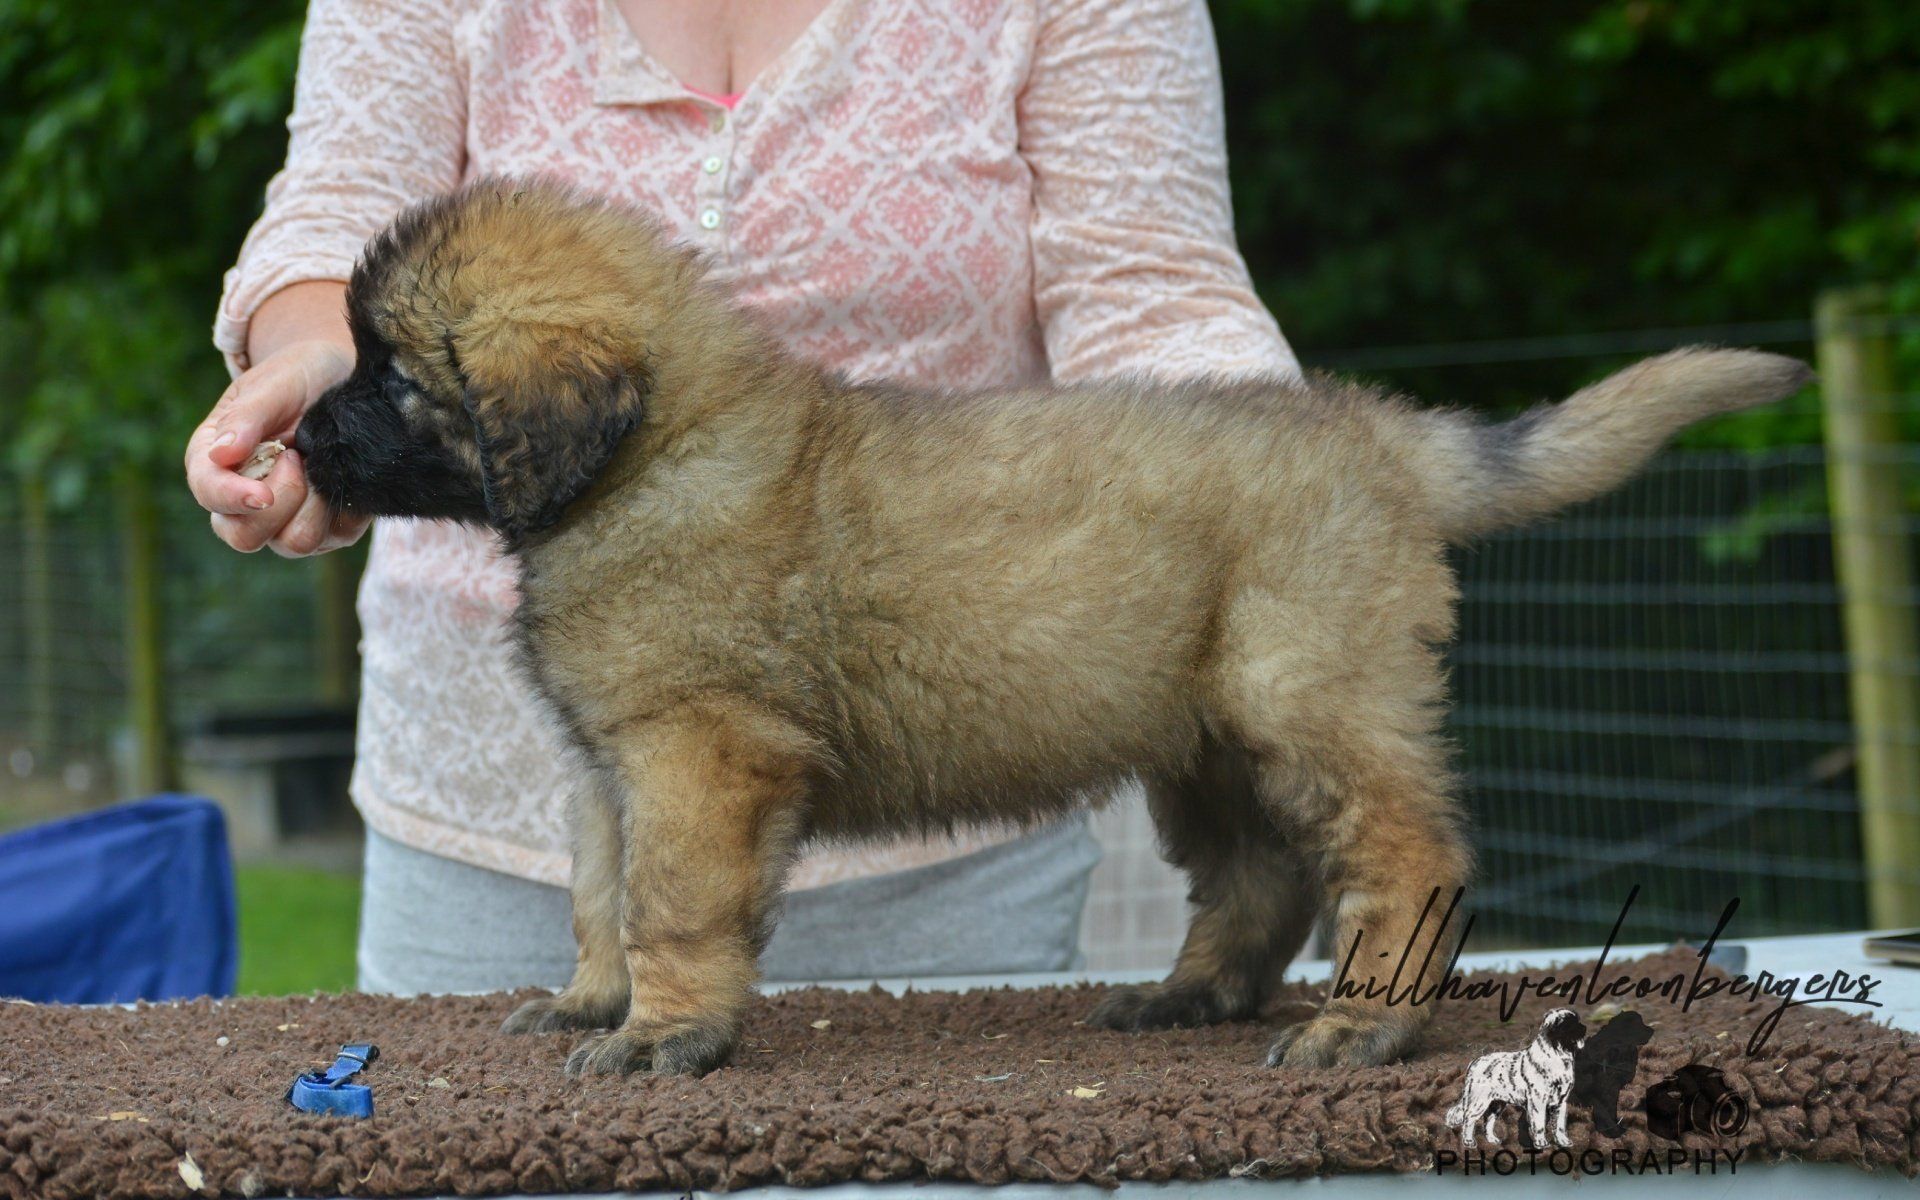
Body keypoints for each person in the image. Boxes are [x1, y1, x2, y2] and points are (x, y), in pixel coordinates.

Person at [185, 0, 1299, 995]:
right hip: (484, 816)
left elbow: (1152, 292)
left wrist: (1287, 516)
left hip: (948, 768)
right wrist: (310, 374)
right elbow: (339, 215)